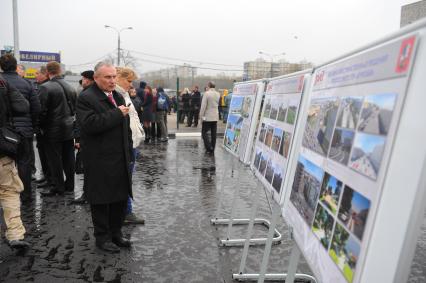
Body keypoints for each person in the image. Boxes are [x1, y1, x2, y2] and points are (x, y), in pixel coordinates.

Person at [76, 62, 133, 253]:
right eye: (108, 77)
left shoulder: (117, 95)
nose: (112, 80)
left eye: (114, 76)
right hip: (99, 159)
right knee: (101, 201)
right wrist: (116, 113)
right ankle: (102, 238)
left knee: (119, 198)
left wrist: (129, 150)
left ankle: (116, 234)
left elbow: (126, 127)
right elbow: (90, 124)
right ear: (96, 78)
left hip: (119, 157)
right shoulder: (86, 97)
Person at [0, 54, 41, 203]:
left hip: (3, 130)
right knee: (24, 162)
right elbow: (36, 107)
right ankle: (25, 196)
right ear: (15, 65)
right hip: (24, 129)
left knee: (4, 162)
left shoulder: (1, 81)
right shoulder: (27, 84)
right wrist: (33, 124)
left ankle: (5, 196)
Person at [0, 73, 31, 250]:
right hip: (3, 148)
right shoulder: (3, 83)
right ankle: (15, 235)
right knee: (9, 191)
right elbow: (23, 106)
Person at [38, 61, 77, 196]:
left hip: (52, 129)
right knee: (69, 158)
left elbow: (41, 111)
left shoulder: (45, 87)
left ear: (48, 72)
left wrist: (40, 126)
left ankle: (58, 187)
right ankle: (70, 185)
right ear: (59, 70)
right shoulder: (70, 86)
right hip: (68, 127)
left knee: (54, 159)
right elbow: (74, 108)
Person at [115, 67, 145, 224]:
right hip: (127, 144)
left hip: (132, 143)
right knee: (125, 179)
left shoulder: (123, 93)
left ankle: (125, 211)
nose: (131, 85)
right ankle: (126, 212)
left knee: (126, 178)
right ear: (119, 77)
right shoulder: (117, 94)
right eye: (129, 81)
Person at [72, 70, 95, 205]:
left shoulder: (85, 94)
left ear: (89, 80)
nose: (82, 81)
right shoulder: (91, 93)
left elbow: (80, 120)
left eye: (84, 79)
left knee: (88, 168)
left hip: (87, 138)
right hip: (88, 137)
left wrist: (78, 138)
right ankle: (88, 194)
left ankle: (87, 195)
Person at [33, 66, 51, 188]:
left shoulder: (45, 87)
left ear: (45, 74)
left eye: (38, 73)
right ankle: (47, 176)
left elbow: (41, 108)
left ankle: (49, 178)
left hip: (45, 127)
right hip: (46, 126)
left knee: (46, 154)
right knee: (44, 154)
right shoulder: (41, 86)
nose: (35, 75)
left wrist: (38, 124)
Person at [199, 82, 221, 155]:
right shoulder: (218, 94)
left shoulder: (207, 93)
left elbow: (203, 106)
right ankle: (213, 148)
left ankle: (208, 147)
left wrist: (201, 116)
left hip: (207, 116)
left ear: (208, 86)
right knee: (213, 133)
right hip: (215, 116)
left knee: (204, 132)